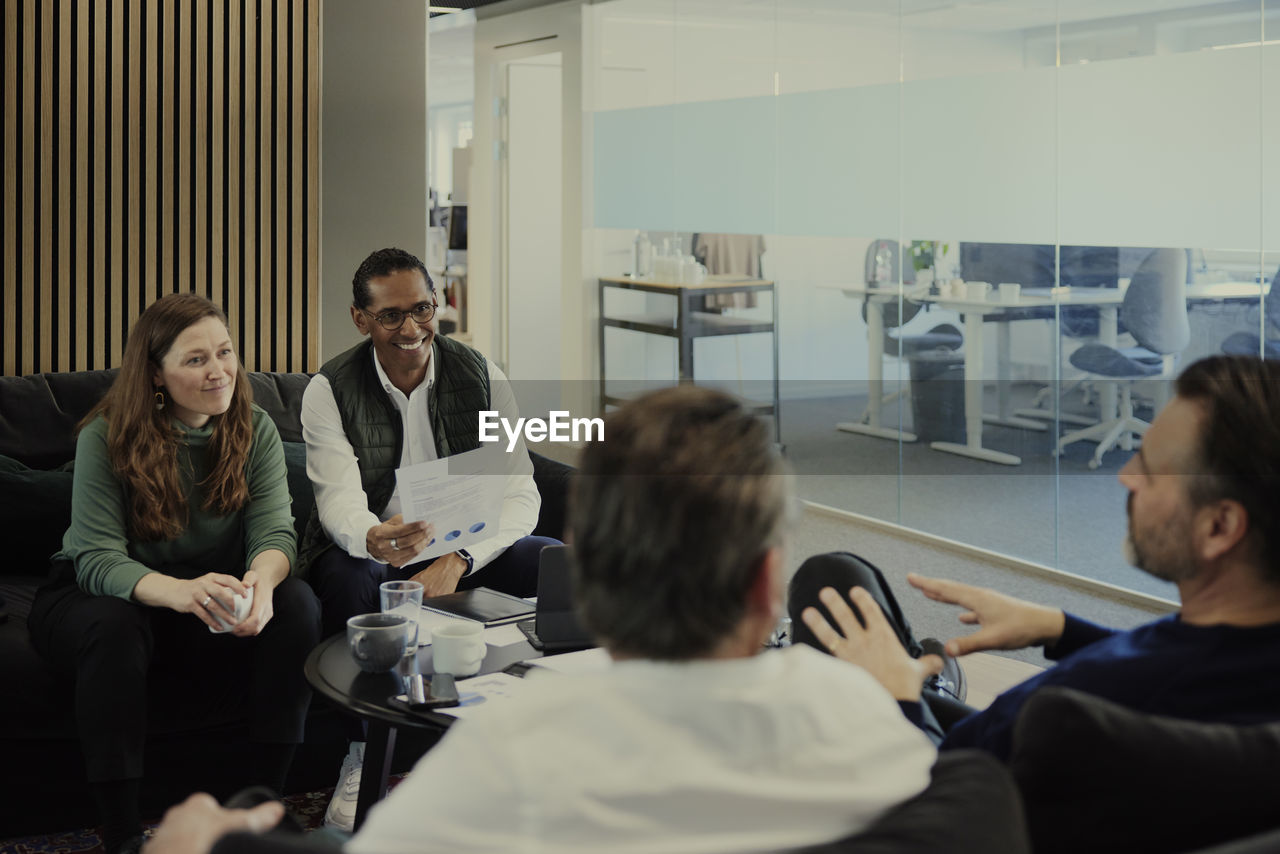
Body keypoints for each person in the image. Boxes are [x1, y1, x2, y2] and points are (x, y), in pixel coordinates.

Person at [144, 385, 941, 854]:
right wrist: (905, 698)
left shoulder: (512, 760)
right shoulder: (878, 733)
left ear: (585, 573)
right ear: (770, 582)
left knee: (243, 810)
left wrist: (214, 841)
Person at [796, 354, 1280, 760]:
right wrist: (1061, 628)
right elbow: (1176, 657)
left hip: (943, 770)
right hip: (991, 743)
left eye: (1150, 470)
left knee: (830, 582)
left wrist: (896, 700)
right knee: (842, 587)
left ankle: (915, 686)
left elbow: (947, 813)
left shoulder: (1085, 710)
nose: (1126, 476)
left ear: (1220, 527)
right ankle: (925, 686)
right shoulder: (1243, 653)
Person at [27, 293, 321, 854]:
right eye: (196, 359)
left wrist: (261, 582)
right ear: (156, 374)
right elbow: (96, 558)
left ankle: (265, 805)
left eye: (225, 352)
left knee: (298, 604)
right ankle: (122, 831)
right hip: (104, 593)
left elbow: (275, 535)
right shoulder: (106, 436)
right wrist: (183, 594)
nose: (219, 371)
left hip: (200, 594)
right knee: (113, 627)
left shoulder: (253, 427)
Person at [299, 247, 558, 638]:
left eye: (422, 309)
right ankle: (357, 693)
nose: (411, 329)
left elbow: (520, 494)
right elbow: (338, 499)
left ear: (436, 303)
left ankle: (530, 683)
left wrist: (458, 560)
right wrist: (373, 537)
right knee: (347, 574)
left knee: (550, 558)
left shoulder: (484, 377)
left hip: (467, 549)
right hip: (379, 553)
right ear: (359, 319)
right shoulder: (329, 390)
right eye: (390, 316)